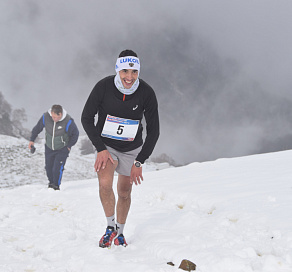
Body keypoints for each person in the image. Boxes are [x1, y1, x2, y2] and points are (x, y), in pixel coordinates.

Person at [81, 49, 159, 247]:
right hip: (106, 145)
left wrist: (139, 160)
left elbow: (154, 131)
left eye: (134, 72)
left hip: (132, 149)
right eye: (125, 71)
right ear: (118, 70)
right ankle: (110, 227)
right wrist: (100, 148)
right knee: (105, 184)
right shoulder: (103, 87)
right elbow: (86, 118)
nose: (129, 77)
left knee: (124, 192)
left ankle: (121, 233)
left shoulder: (147, 93)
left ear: (138, 72)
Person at [29, 105, 79, 190]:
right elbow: (37, 128)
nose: (55, 119)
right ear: (51, 113)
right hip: (49, 147)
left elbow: (75, 134)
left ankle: (56, 186)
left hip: (62, 149)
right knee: (48, 167)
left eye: (58, 117)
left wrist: (69, 146)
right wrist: (32, 140)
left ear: (61, 114)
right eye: (54, 117)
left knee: (57, 168)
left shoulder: (68, 121)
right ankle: (51, 183)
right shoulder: (46, 117)